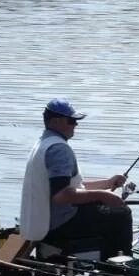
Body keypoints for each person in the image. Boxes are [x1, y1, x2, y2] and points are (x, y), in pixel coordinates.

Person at [20, 98, 132, 261]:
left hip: (42, 221)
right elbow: (61, 196)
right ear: (56, 121)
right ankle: (120, 272)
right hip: (59, 223)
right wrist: (103, 195)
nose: (76, 125)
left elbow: (70, 186)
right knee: (121, 213)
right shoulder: (59, 149)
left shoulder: (43, 143)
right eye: (71, 121)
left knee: (105, 206)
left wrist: (107, 183)